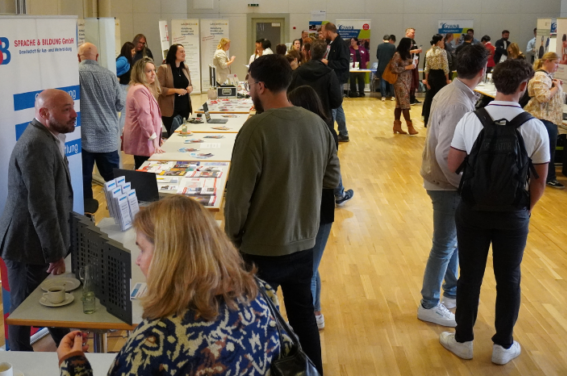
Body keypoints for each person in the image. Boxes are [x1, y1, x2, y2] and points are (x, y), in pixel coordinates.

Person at [57, 196, 293, 375]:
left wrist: (73, 363)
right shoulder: (258, 291)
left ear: (168, 257)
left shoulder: (154, 345)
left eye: (142, 249)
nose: (138, 260)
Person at [225, 55, 341, 374]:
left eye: (249, 84)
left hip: (259, 248)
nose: (249, 89)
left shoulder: (255, 129)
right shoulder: (317, 124)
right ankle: (313, 370)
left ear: (260, 86)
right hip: (303, 244)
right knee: (303, 316)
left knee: (250, 321)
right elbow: (331, 180)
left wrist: (231, 241)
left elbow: (238, 197)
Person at [441, 59, 549, 365]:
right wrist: (525, 209)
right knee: (509, 278)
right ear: (523, 86)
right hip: (513, 214)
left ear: (493, 81)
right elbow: (539, 179)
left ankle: (463, 340)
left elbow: (452, 164)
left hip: (473, 209)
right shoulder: (534, 126)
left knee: (470, 276)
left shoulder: (471, 120)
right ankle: (503, 345)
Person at [418, 44, 490, 327]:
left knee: (453, 242)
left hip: (442, 180)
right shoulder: (458, 101)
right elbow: (447, 153)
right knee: (444, 244)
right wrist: (464, 186)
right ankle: (429, 303)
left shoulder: (451, 92)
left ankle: (450, 292)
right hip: (445, 184)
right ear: (483, 71)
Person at [0, 89, 75, 351]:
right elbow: (41, 206)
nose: (74, 114)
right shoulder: (36, 145)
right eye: (66, 109)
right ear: (44, 114)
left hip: (37, 242)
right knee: (23, 311)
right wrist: (56, 254)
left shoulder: (48, 137)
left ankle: (67, 347)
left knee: (49, 300)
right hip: (26, 245)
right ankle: (21, 363)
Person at [287, 86, 337, 330]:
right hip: (320, 209)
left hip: (313, 208)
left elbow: (332, 178)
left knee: (308, 266)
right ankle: (314, 310)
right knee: (310, 263)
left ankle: (311, 314)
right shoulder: (325, 130)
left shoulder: (312, 133)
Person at [78, 42, 125, 200]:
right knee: (114, 181)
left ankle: (87, 217)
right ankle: (122, 214)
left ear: (78, 57)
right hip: (107, 136)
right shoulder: (110, 75)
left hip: (84, 138)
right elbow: (120, 104)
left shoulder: (74, 75)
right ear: (97, 57)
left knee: (84, 180)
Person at [524, 52, 565, 189]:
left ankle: (545, 176)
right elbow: (542, 97)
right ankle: (548, 177)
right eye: (556, 63)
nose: (557, 66)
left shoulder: (546, 76)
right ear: (547, 61)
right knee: (547, 150)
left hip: (548, 118)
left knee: (547, 150)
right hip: (542, 118)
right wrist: (556, 87)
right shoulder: (540, 76)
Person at [289, 39, 343, 141]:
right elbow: (336, 101)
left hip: (300, 120)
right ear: (325, 54)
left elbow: (288, 95)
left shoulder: (297, 72)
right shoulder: (330, 73)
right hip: (323, 120)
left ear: (309, 53)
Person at [122, 57, 164, 169]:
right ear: (140, 73)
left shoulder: (141, 88)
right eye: (149, 71)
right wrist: (155, 141)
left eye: (154, 70)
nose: (153, 74)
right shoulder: (139, 90)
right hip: (143, 141)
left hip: (146, 140)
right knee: (144, 173)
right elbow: (145, 118)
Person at [320, 22, 351, 142]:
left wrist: (328, 63)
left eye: (323, 32)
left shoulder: (340, 45)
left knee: (333, 106)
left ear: (328, 32)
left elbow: (344, 63)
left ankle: (330, 134)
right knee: (337, 106)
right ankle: (343, 133)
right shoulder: (332, 44)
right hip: (333, 78)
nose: (322, 34)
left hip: (337, 79)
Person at [157, 44, 193, 136]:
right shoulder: (164, 68)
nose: (184, 54)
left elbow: (190, 84)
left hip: (185, 108)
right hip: (170, 110)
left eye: (184, 51)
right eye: (181, 51)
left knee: (183, 135)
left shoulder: (185, 68)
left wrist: (190, 88)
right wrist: (176, 90)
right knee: (173, 136)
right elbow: (159, 89)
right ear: (174, 53)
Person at [389, 37, 418, 135]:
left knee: (399, 105)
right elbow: (393, 68)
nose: (411, 45)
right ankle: (410, 127)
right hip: (400, 82)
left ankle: (397, 125)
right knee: (405, 104)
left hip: (407, 81)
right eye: (410, 43)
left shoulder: (407, 54)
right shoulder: (397, 54)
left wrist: (413, 64)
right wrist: (407, 67)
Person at [422, 34, 451, 126]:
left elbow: (426, 67)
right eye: (442, 40)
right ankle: (439, 121)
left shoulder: (429, 52)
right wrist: (447, 79)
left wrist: (426, 80)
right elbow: (445, 67)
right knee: (440, 99)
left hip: (431, 76)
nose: (443, 42)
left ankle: (427, 120)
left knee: (429, 98)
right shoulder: (442, 52)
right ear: (439, 41)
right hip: (440, 76)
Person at [116, 42, 135, 131]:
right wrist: (116, 77)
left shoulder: (126, 59)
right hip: (123, 87)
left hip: (125, 87)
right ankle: (121, 133)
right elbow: (112, 67)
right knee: (124, 112)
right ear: (129, 51)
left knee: (125, 112)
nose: (134, 52)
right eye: (133, 50)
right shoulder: (123, 59)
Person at [405, 28, 424, 105]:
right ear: (407, 33)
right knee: (410, 82)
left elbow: (415, 52)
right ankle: (408, 99)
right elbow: (403, 52)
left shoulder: (413, 41)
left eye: (414, 33)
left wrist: (417, 55)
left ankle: (413, 97)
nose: (414, 34)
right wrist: (414, 51)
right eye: (412, 33)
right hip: (408, 65)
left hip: (414, 64)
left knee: (415, 81)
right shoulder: (405, 41)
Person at [376, 34, 397, 101]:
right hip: (390, 66)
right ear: (389, 40)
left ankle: (383, 96)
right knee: (390, 81)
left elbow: (378, 56)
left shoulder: (379, 46)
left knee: (383, 81)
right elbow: (395, 57)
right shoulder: (393, 46)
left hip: (381, 66)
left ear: (383, 39)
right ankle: (392, 96)